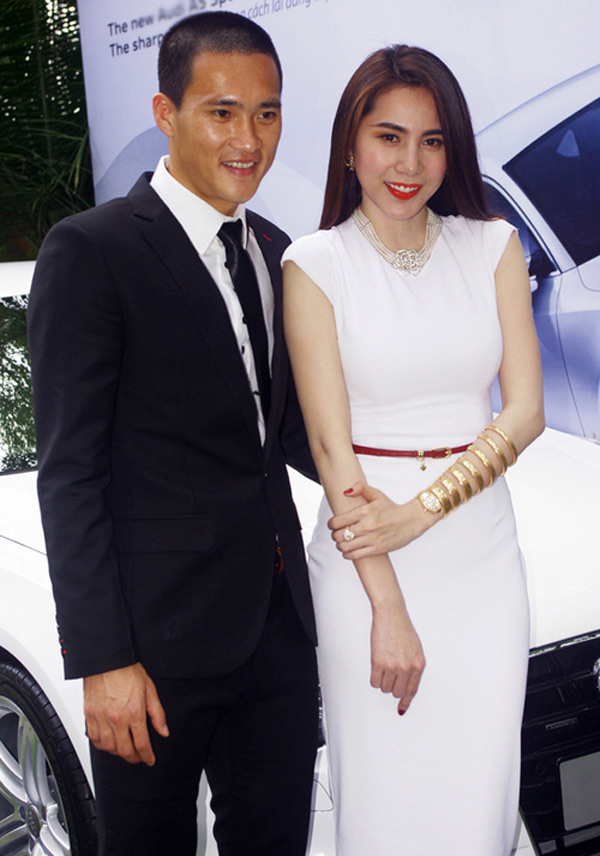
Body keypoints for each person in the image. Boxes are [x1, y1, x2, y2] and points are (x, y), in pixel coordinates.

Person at [28, 11, 319, 856]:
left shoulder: (274, 248)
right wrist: (102, 659)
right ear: (166, 113)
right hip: (150, 654)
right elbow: (70, 473)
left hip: (277, 635)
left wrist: (420, 468)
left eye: (266, 113)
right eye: (221, 112)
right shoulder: (92, 250)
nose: (248, 138)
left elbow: (284, 436)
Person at [283, 44, 544, 856]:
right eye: (388, 137)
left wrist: (423, 510)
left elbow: (525, 413)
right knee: (385, 800)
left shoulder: (493, 246)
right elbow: (331, 451)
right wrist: (388, 608)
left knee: (480, 793)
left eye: (432, 141)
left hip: (481, 557)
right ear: (350, 144)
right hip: (366, 568)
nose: (409, 163)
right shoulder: (314, 264)